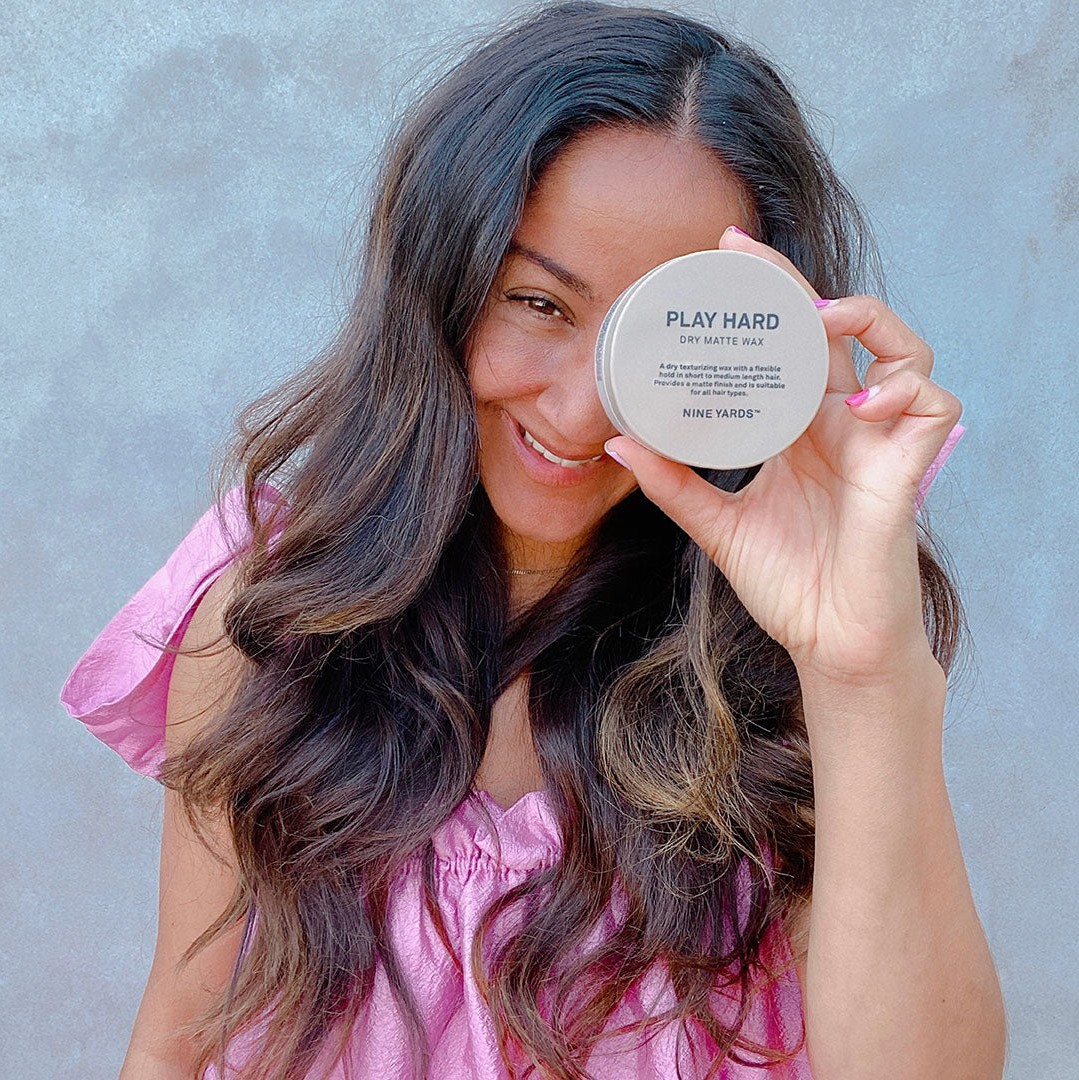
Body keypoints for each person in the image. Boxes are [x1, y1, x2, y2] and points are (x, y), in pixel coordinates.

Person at [59, 2, 1007, 1078]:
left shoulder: (789, 658)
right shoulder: (273, 607)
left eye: (662, 341)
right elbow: (179, 1042)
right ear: (442, 280)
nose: (580, 414)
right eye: (539, 303)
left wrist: (861, 674)